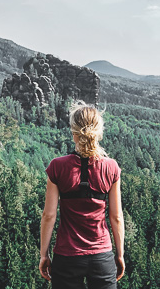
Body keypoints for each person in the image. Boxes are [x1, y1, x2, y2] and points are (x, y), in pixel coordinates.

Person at [39, 103, 125, 288]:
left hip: (66, 257)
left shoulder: (57, 167)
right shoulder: (111, 168)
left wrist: (43, 255)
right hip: (101, 257)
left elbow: (49, 216)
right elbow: (116, 217)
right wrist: (119, 254)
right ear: (99, 132)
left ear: (73, 133)